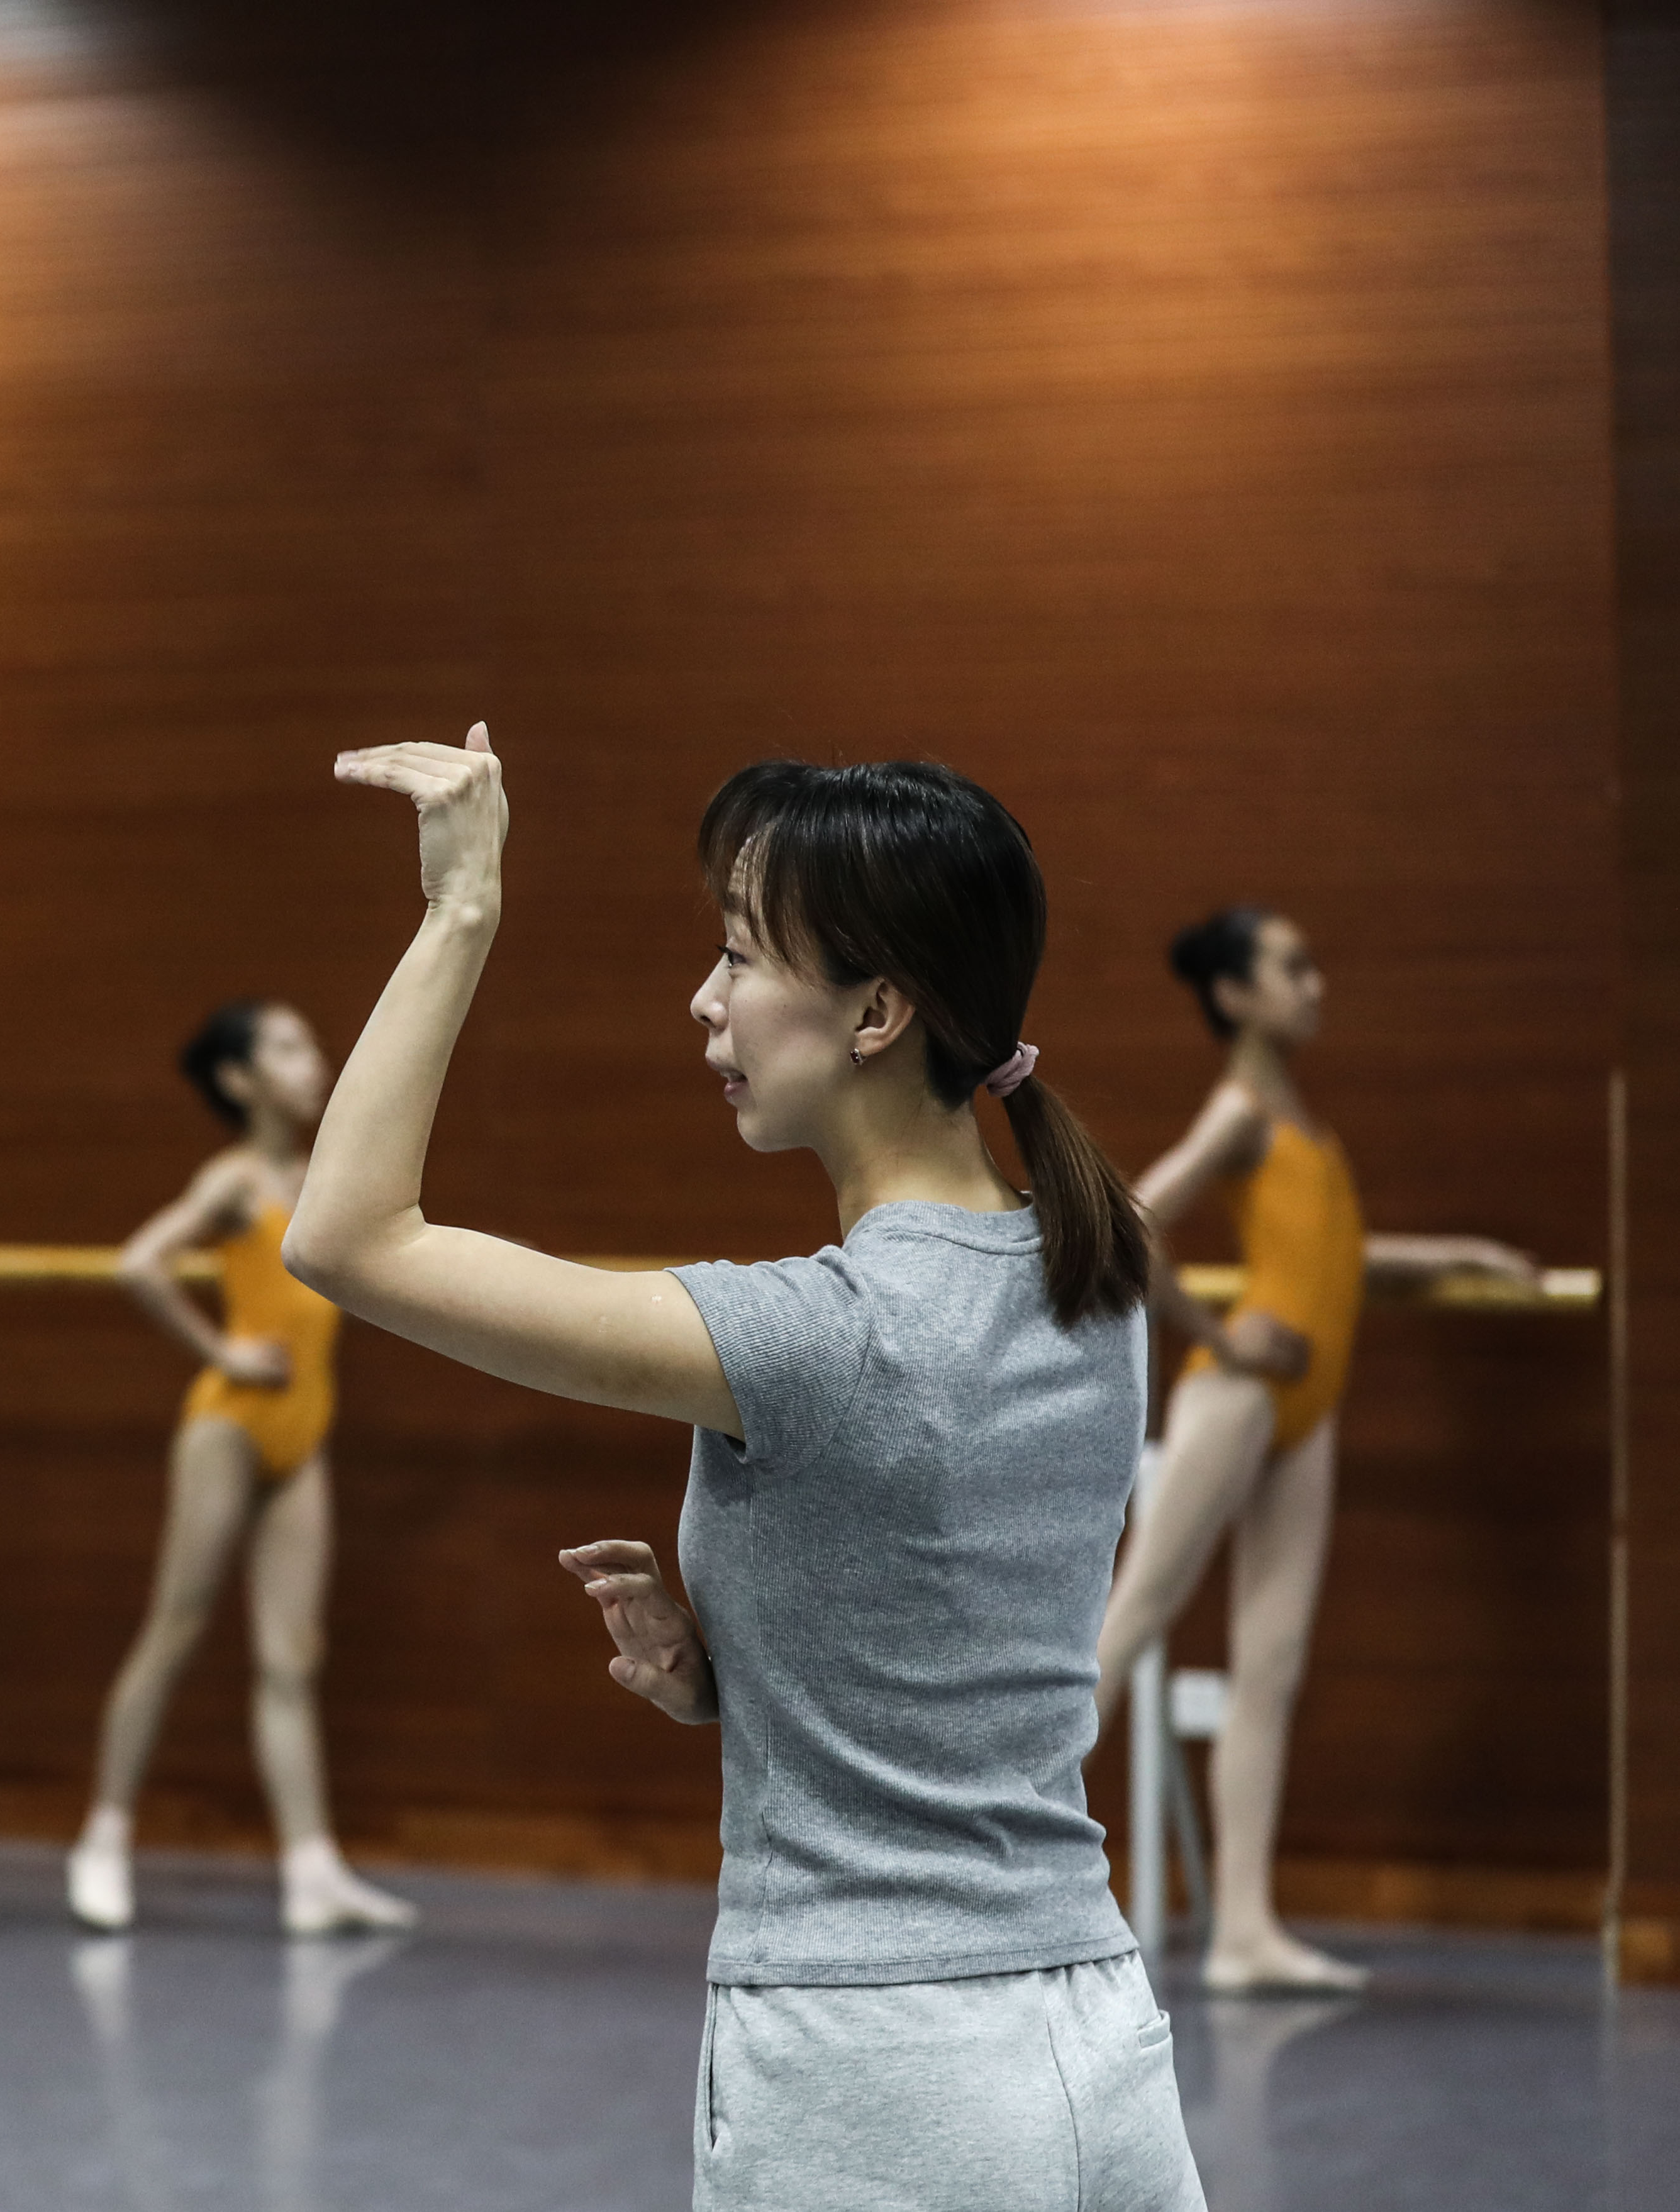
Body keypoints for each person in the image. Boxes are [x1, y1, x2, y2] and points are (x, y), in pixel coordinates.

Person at [287, 734, 1203, 2209]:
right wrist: (739, 1669)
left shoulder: (814, 1335)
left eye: (737, 953)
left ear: (877, 1012)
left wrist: (460, 911)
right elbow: (949, 1620)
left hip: (874, 2067)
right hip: (1096, 2038)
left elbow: (347, 1237)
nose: (703, 1000)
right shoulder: (1091, 1275)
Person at [1093, 906, 1536, 1992]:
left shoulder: (1301, 1122)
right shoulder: (1240, 1110)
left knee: (1272, 1666)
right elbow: (1132, 1219)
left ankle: (1243, 1929)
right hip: (1240, 1396)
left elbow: (1334, 1259)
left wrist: (1458, 1257)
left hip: (1307, 1411)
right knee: (1131, 1619)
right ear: (1236, 995)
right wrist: (1215, 1334)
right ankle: (984, 1868)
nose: (1316, 983)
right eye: (1293, 967)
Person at [66, 1000, 415, 1937]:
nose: (315, 1061)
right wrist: (219, 1352)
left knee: (291, 1658)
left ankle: (312, 1873)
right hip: (229, 1426)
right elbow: (140, 1263)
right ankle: (103, 1838)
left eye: (312, 1044)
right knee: (175, 1626)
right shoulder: (232, 1180)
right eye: (287, 1049)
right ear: (239, 1080)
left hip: (304, 1435)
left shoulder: (328, 1180)